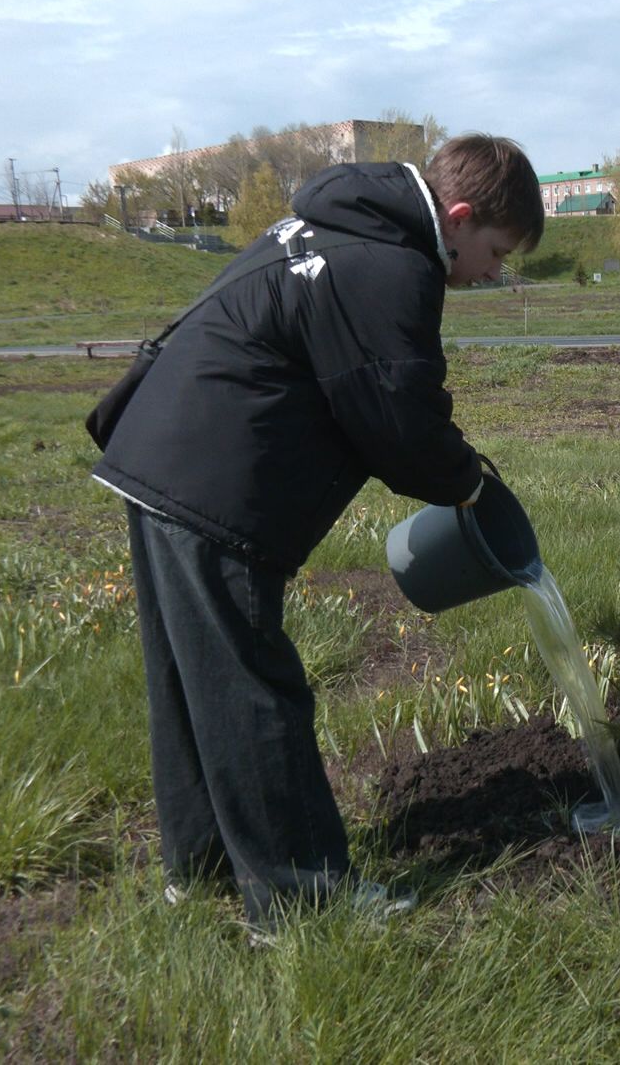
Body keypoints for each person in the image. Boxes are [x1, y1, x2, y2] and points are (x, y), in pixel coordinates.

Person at [92, 134, 543, 925]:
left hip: (157, 457)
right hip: (213, 483)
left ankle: (200, 872)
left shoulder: (338, 226)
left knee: (193, 679)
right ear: (461, 217)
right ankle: (304, 903)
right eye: (497, 251)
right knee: (252, 685)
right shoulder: (395, 266)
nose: (494, 272)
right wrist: (469, 484)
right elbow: (396, 418)